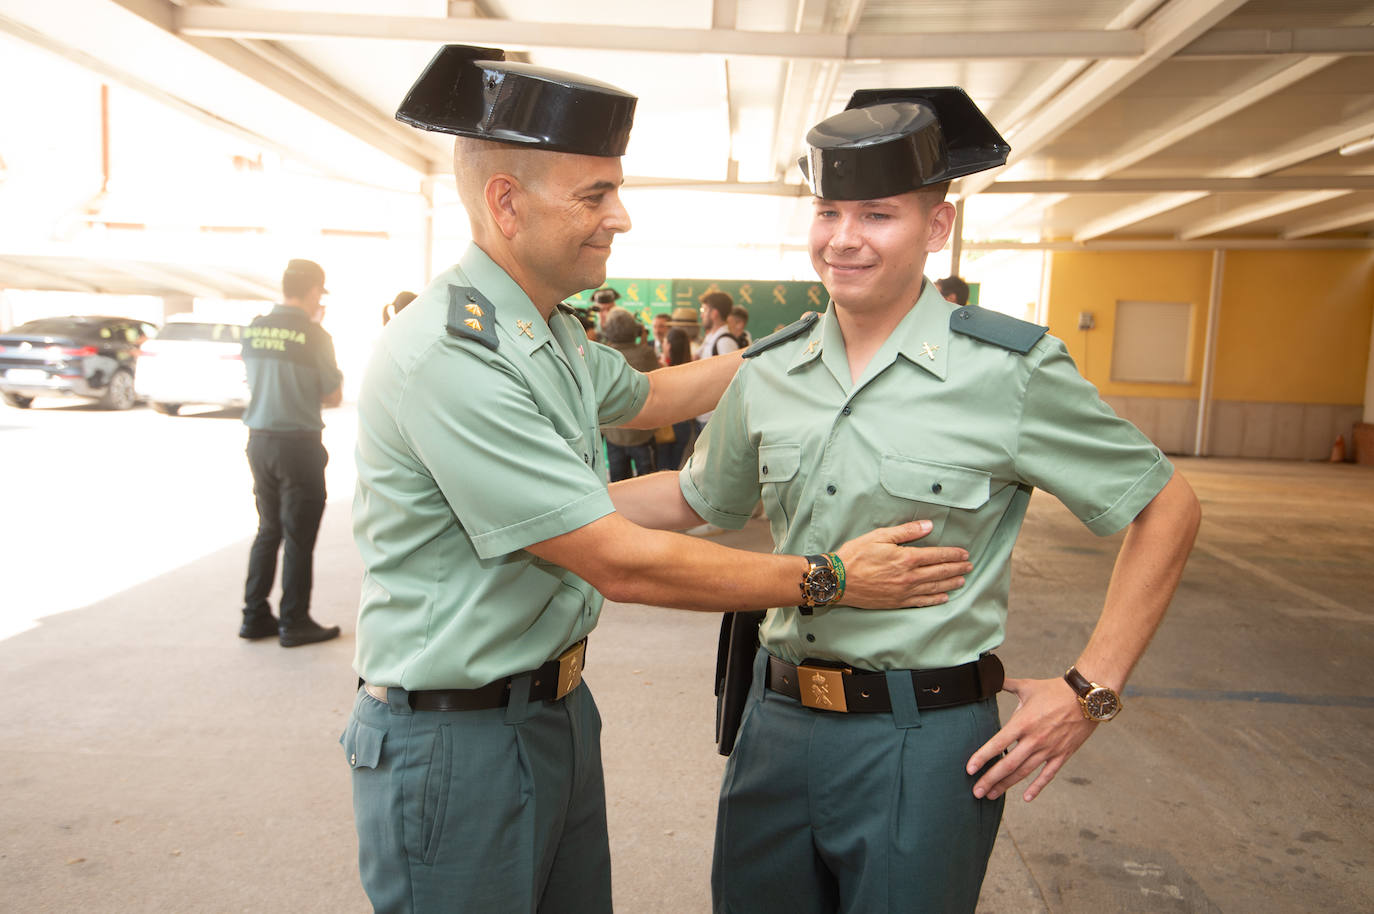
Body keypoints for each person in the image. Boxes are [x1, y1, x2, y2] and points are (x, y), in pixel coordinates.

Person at [346, 46, 973, 914]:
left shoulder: (542, 333)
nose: (621, 218)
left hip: (550, 712)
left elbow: (650, 396)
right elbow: (618, 561)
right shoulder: (453, 355)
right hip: (456, 737)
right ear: (506, 202)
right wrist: (828, 579)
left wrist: (822, 331)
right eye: (595, 195)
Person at [631, 87, 1202, 912]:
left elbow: (1165, 505)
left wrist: (1092, 688)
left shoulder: (1008, 373)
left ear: (937, 227)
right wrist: (540, 503)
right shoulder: (770, 370)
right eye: (828, 212)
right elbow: (690, 498)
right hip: (775, 726)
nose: (844, 239)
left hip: (922, 740)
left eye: (877, 215)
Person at [238, 258, 345, 647]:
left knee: (269, 529)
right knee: (299, 535)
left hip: (260, 441)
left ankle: (254, 616)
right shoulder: (315, 336)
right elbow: (332, 394)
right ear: (315, 290)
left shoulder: (253, 329)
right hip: (298, 444)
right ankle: (295, 620)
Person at [599, 307, 658, 481]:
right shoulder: (646, 354)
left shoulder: (603, 354)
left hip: (613, 431)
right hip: (642, 430)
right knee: (647, 482)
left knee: (618, 484)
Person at [694, 291, 740, 430]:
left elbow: (733, 381)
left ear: (714, 313)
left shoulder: (725, 341)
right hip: (706, 415)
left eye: (704, 310)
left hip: (716, 419)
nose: (701, 314)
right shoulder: (710, 338)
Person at [654, 326, 695, 472]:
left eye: (664, 341)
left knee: (662, 468)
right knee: (675, 468)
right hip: (685, 426)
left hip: (666, 426)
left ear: (669, 346)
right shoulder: (692, 368)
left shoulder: (662, 370)